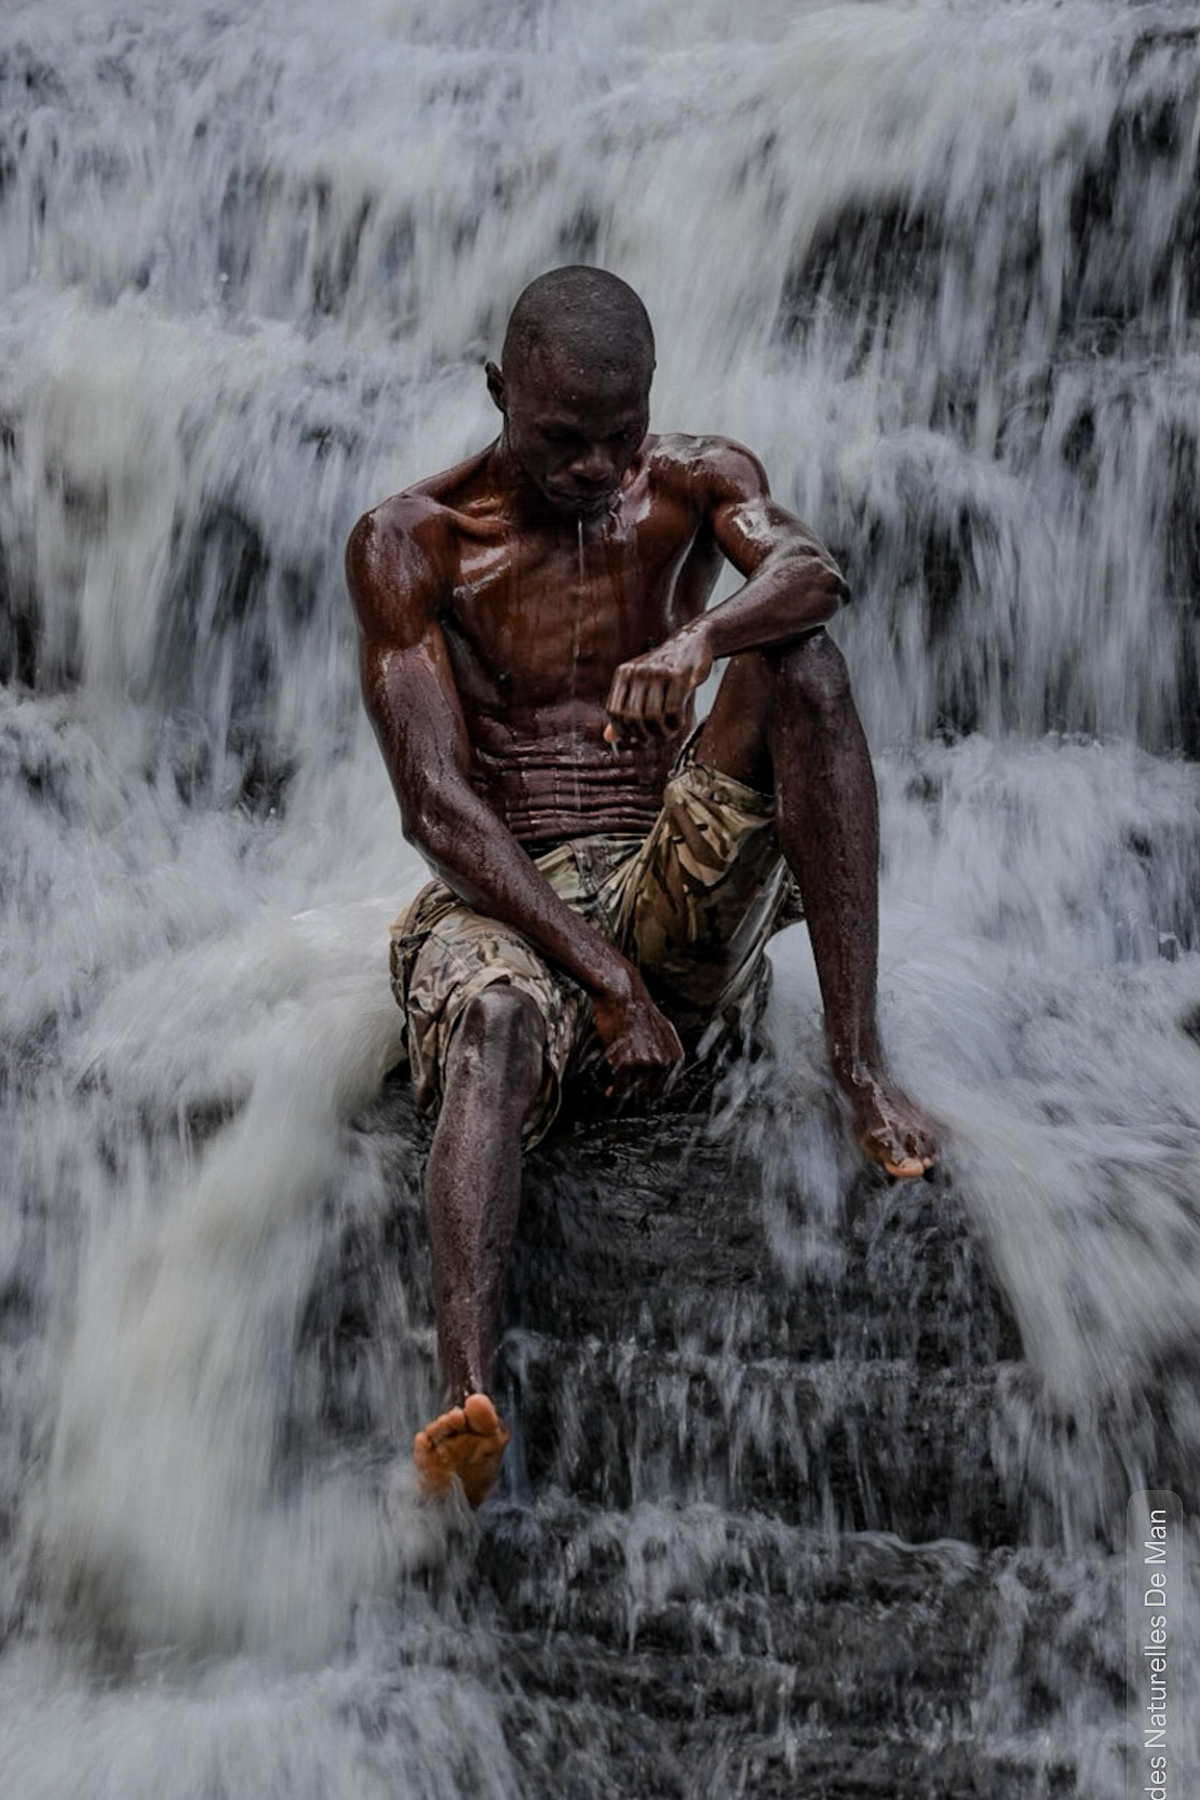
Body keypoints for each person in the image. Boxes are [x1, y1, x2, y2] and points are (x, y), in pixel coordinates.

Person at [346, 266, 937, 1507]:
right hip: (507, 897)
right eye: (564, 439)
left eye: (620, 434)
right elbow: (436, 809)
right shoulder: (415, 542)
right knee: (496, 1029)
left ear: (650, 405)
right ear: (501, 394)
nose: (598, 468)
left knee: (806, 669)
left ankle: (858, 1062)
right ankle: (467, 1396)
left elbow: (813, 574)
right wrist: (608, 983)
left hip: (664, 865)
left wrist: (700, 639)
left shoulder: (691, 483)